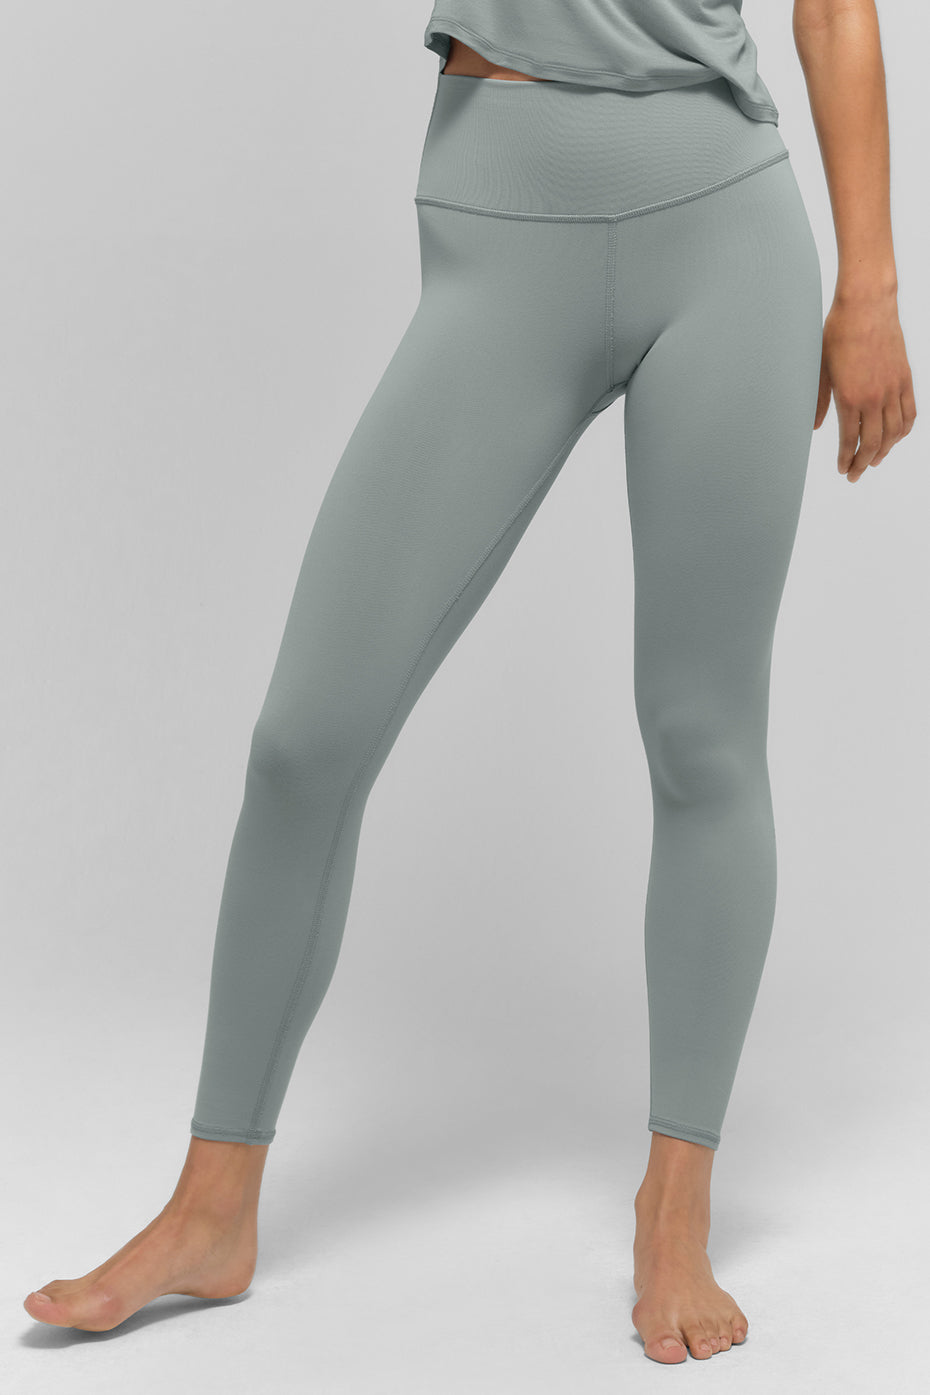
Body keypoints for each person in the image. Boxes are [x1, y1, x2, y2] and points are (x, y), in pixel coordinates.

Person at [23, 0, 916, 1364]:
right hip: (498, 217)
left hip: (724, 226)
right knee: (304, 740)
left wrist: (870, 287)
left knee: (702, 737)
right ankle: (211, 1208)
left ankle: (675, 1203)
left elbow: (834, 8)